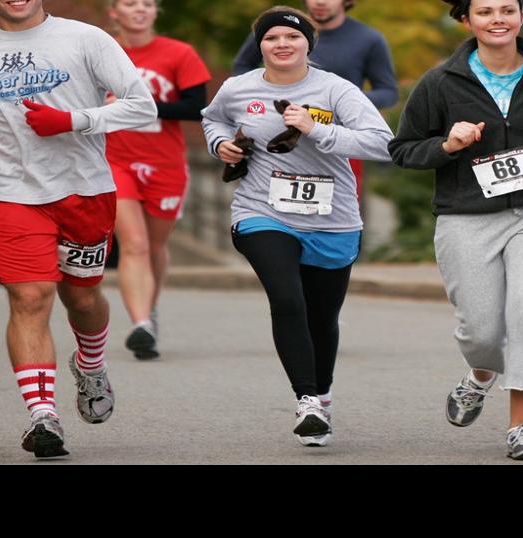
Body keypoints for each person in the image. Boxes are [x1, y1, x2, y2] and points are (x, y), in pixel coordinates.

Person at [389, 0, 523, 461]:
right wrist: (448, 143)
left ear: (522, 16)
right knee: (481, 331)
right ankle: (480, 376)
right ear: (466, 20)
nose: (498, 19)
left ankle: (521, 428)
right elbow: (404, 149)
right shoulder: (439, 83)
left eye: (507, 9)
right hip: (465, 216)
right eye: (485, 11)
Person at [0, 0, 157, 458]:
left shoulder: (86, 39)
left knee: (81, 297)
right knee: (29, 296)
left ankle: (91, 365)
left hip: (84, 190)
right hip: (7, 191)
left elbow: (143, 107)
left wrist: (73, 121)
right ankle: (43, 415)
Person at [202, 6, 392, 447]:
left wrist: (317, 130)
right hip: (261, 211)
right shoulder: (238, 88)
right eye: (271, 39)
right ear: (260, 46)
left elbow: (382, 142)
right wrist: (221, 145)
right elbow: (213, 118)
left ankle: (322, 396)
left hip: (333, 220)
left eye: (292, 38)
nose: (282, 45)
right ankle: (306, 401)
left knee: (322, 318)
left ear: (309, 43)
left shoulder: (335, 89)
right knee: (287, 299)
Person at [105, 0, 212, 360]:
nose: (140, 9)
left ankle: (149, 309)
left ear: (156, 12)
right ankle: (140, 324)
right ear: (113, 12)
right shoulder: (101, 52)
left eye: (147, 3)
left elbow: (197, 108)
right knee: (132, 244)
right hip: (114, 161)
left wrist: (138, 104)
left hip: (164, 163)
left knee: (153, 247)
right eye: (130, 3)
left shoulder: (178, 53)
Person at [232, 0, 398, 197]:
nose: (320, 1)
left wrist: (341, 101)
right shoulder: (276, 29)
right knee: (264, 205)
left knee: (337, 206)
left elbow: (388, 92)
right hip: (275, 134)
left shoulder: (369, 39)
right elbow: (241, 68)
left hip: (336, 137)